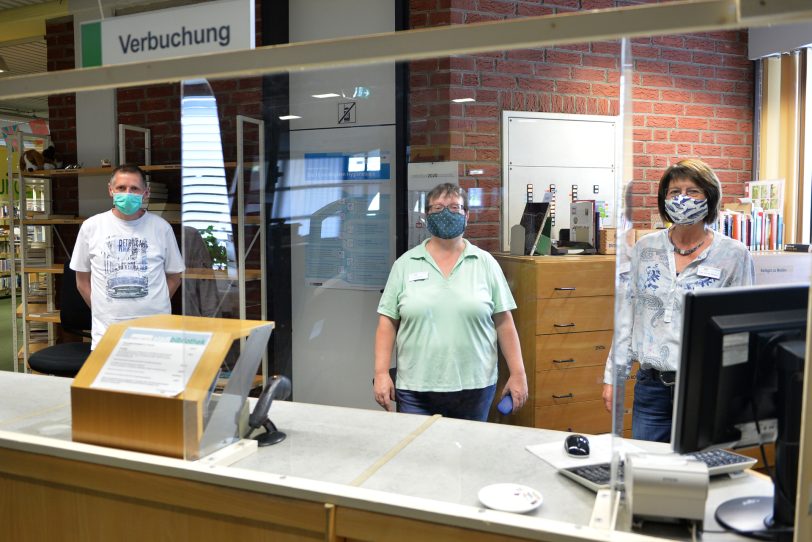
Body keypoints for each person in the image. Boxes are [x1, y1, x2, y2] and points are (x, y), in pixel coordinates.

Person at [602, 159, 755, 442]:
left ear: (710, 197)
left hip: (706, 386)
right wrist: (614, 377)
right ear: (664, 199)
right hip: (652, 387)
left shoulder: (734, 255)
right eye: (674, 192)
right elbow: (626, 316)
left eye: (693, 191)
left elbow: (743, 327)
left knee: (698, 474)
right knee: (646, 472)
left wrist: (739, 388)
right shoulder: (645, 249)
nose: (683, 198)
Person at [373, 183, 528, 421]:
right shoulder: (405, 264)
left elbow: (504, 323)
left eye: (455, 207)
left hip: (475, 387)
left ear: (467, 215)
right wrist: (381, 372)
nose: (447, 213)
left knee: (467, 455)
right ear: (426, 215)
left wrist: (518, 373)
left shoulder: (485, 263)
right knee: (419, 455)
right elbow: (387, 323)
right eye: (438, 208)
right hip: (415, 389)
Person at [71, 164, 185, 348]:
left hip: (155, 335)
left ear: (145, 193)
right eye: (121, 188)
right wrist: (102, 309)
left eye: (134, 188)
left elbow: (174, 277)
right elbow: (82, 281)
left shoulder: (162, 228)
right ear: (110, 190)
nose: (128, 193)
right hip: (107, 335)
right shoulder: (91, 227)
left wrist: (155, 304)